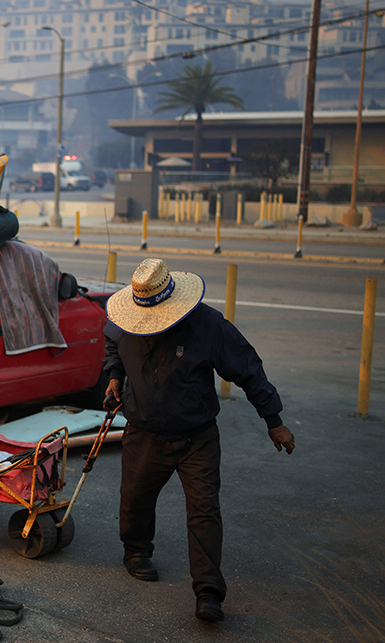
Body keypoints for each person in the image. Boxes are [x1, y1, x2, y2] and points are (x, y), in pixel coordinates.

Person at [103, 258, 295, 623]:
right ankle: (136, 551)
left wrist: (274, 420)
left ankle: (208, 591)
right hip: (144, 432)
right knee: (135, 498)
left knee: (205, 511)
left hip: (197, 437)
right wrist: (114, 377)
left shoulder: (207, 325)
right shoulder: (123, 322)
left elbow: (248, 368)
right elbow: (113, 346)